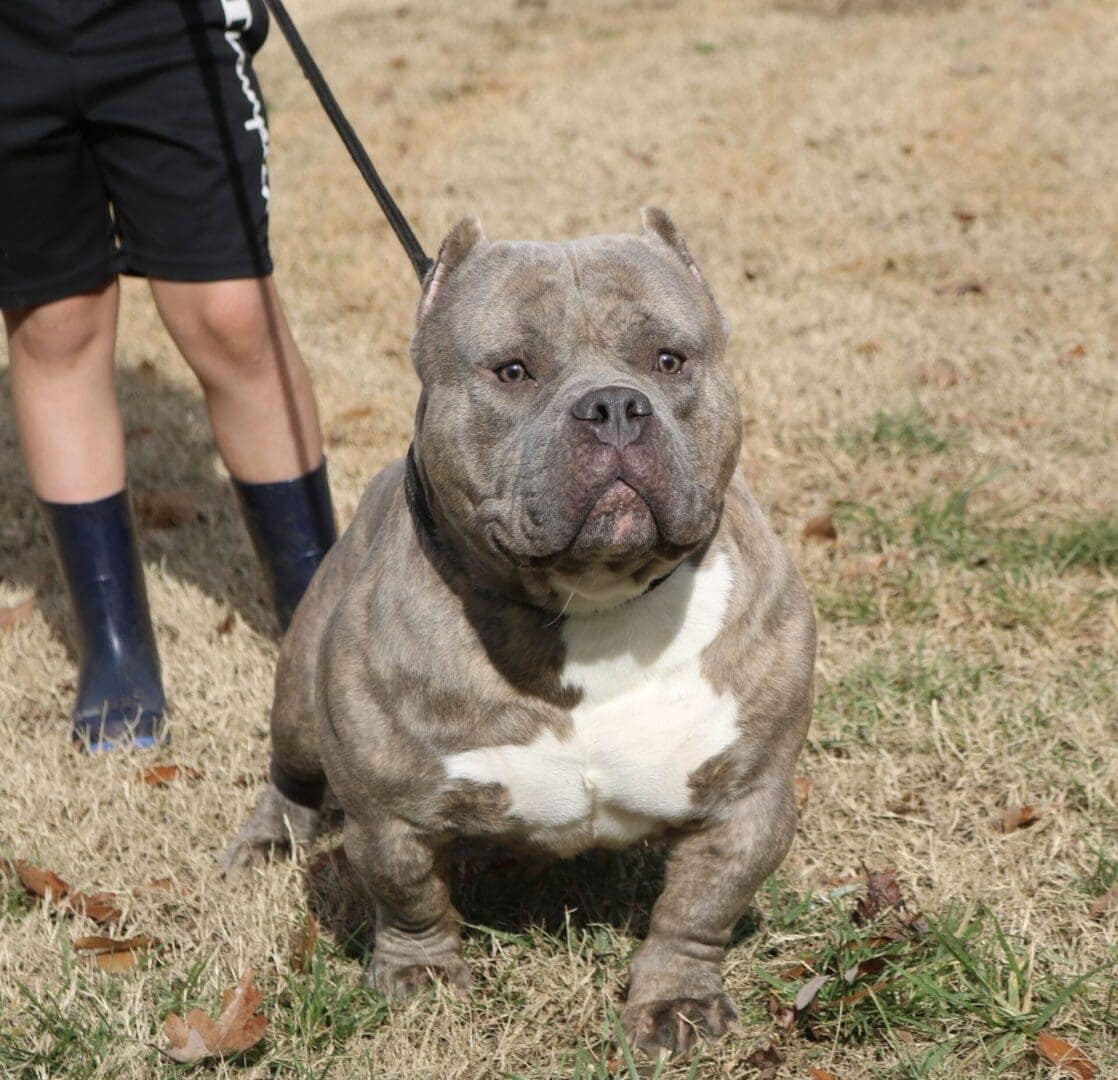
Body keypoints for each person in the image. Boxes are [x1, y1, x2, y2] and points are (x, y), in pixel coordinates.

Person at [0, 0, 337, 752]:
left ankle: (323, 619)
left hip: (163, 23)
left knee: (231, 316)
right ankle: (115, 647)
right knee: (55, 324)